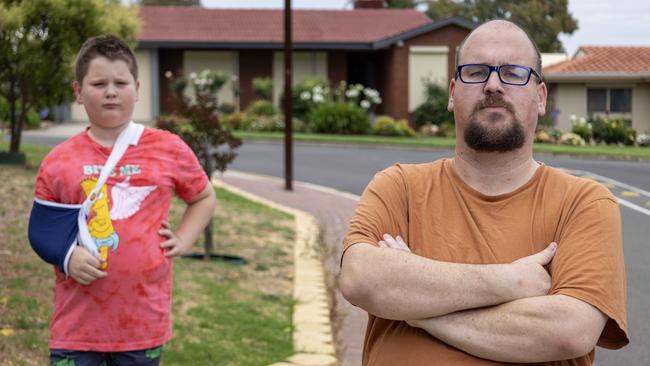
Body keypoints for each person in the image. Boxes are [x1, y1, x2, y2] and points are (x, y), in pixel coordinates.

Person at [339, 20, 628, 365]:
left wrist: (413, 308)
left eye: (513, 72)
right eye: (475, 72)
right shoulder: (399, 186)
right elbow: (361, 279)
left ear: (540, 97)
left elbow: (570, 331)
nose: (493, 85)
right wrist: (512, 281)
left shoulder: (584, 203)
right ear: (452, 93)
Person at [30, 35, 216, 365]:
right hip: (77, 326)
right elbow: (42, 229)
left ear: (137, 88)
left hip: (142, 322)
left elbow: (202, 196)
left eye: (121, 82)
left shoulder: (168, 148)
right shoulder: (58, 161)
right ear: (78, 91)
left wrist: (185, 239)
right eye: (99, 83)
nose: (111, 91)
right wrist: (67, 256)